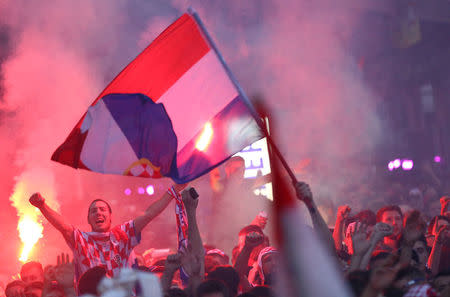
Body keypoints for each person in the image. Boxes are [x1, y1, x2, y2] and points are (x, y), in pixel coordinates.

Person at [28, 183, 186, 284]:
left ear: (111, 217)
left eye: (102, 210)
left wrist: (172, 191)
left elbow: (148, 215)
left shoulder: (123, 235)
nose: (98, 213)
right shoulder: (82, 240)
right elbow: (64, 227)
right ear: (89, 220)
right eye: (93, 211)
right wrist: (42, 205)